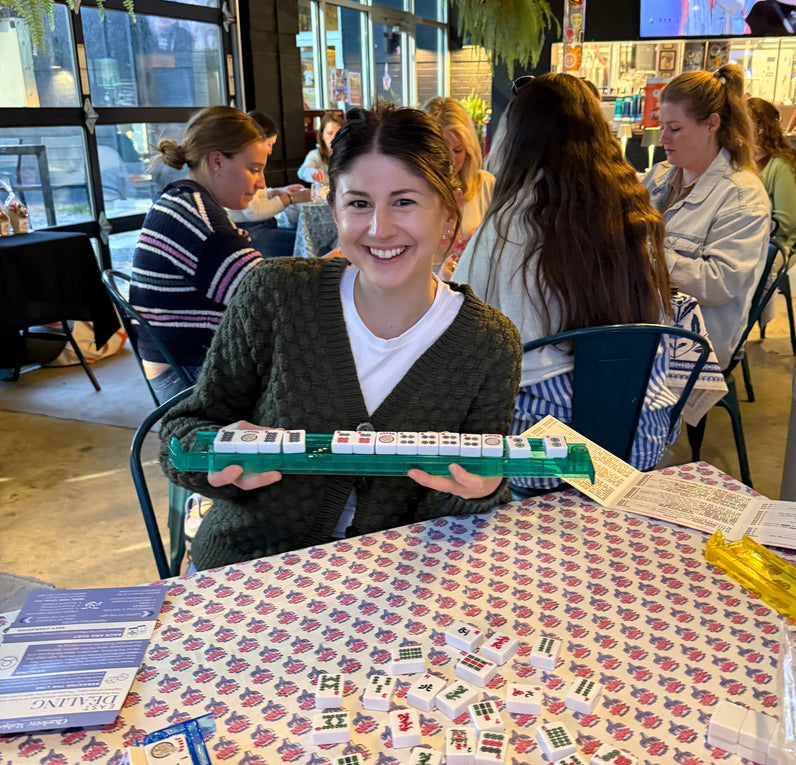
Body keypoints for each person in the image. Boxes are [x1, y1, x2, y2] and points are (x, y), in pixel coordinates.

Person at [158, 105, 522, 572]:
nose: (380, 228)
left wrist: (484, 489)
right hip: (250, 569)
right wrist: (213, 452)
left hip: (397, 586)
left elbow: (468, 507)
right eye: (359, 203)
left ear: (448, 216)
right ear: (334, 210)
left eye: (405, 201)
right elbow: (181, 433)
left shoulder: (488, 343)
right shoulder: (275, 294)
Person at [453, 73, 674, 483]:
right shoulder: (636, 212)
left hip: (545, 451)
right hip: (637, 432)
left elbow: (462, 322)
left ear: (519, 140)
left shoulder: (508, 222)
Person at [130, 105, 269, 403]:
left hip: (174, 362)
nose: (261, 183)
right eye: (254, 169)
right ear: (217, 161)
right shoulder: (201, 219)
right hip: (186, 376)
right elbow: (266, 294)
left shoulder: (184, 200)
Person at [643, 65, 772, 371]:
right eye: (662, 127)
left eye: (675, 129)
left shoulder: (743, 197)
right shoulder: (660, 175)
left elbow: (718, 284)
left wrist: (646, 253)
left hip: (696, 342)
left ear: (712, 124)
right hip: (650, 318)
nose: (664, 138)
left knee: (589, 365)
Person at [424, 97, 495, 277]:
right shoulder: (412, 193)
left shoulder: (485, 186)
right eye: (441, 152)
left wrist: (484, 241)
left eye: (457, 150)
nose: (450, 161)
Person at [227, 110, 310, 258]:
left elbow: (255, 196)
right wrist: (291, 199)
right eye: (269, 144)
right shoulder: (242, 166)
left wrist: (277, 192)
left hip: (259, 227)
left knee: (306, 235)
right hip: (252, 233)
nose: (271, 151)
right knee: (308, 242)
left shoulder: (243, 161)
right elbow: (253, 212)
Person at [747, 97, 796, 251]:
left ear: (760, 128)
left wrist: (743, 230)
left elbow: (786, 223)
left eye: (742, 124)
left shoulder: (783, 166)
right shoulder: (741, 162)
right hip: (751, 246)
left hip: (779, 249)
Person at [297, 111, 343, 184]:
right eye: (330, 133)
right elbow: (302, 172)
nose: (334, 138)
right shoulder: (315, 155)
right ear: (322, 135)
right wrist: (312, 172)